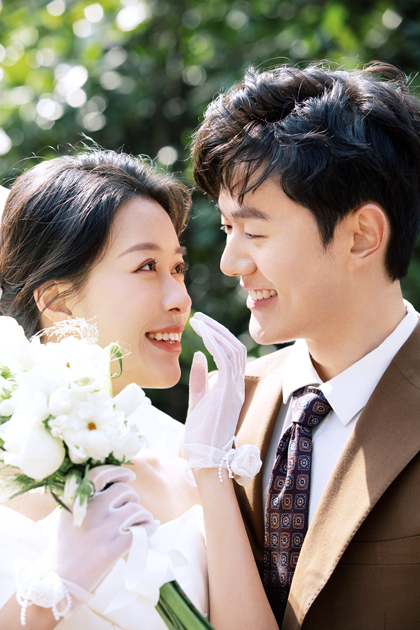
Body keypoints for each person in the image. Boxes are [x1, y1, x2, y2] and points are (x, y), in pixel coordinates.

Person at [190, 62, 420, 629]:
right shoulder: (228, 405)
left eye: (255, 231)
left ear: (362, 236)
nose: (230, 262)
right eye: (227, 229)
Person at [0, 149, 208, 629]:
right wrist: (58, 581)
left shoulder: (189, 452)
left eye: (177, 268)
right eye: (147, 267)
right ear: (58, 300)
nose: (180, 299)